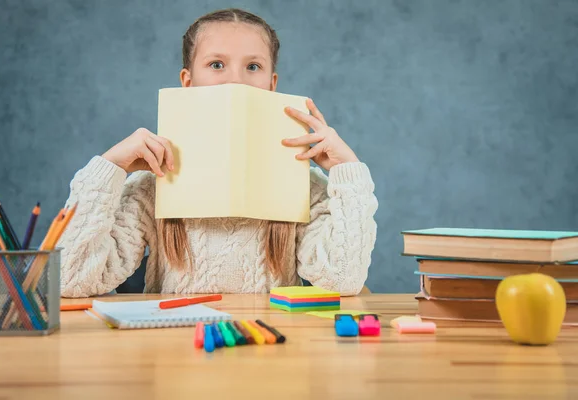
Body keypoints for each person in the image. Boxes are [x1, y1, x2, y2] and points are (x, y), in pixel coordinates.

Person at [58, 8, 378, 298]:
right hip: (174, 348)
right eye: (216, 64)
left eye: (253, 66)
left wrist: (347, 171)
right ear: (188, 81)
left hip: (274, 351)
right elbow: (72, 281)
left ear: (271, 84)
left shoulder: (303, 185)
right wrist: (110, 166)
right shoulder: (152, 184)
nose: (235, 80)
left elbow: (342, 280)